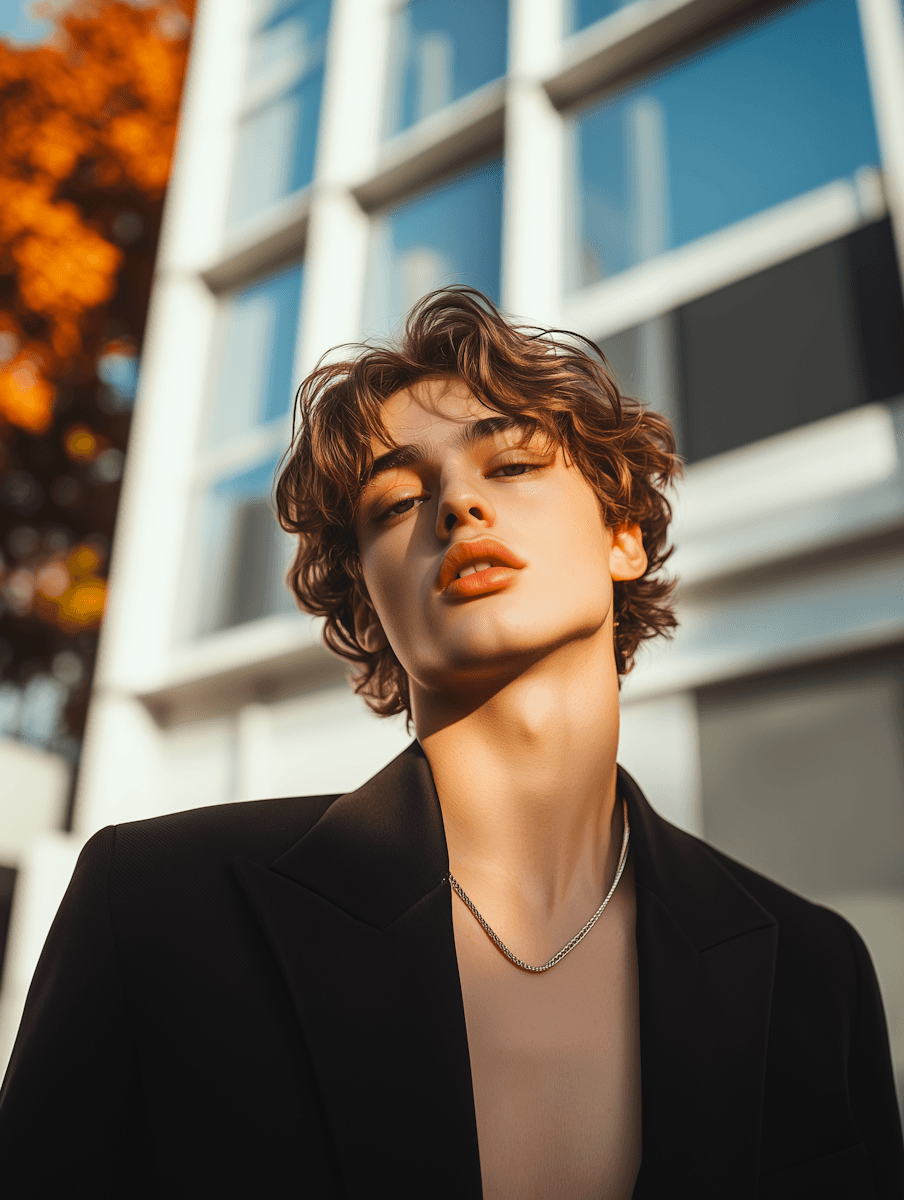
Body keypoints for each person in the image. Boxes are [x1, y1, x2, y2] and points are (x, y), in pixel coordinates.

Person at [0, 288, 901, 1198]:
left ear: (624, 534)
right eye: (395, 502)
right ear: (369, 602)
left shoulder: (813, 972)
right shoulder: (160, 909)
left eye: (510, 466)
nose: (458, 505)